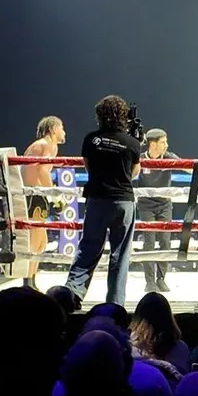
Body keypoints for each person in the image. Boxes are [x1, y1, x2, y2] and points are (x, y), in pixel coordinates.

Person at [64, 95, 142, 306]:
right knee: (120, 254)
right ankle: (115, 303)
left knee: (88, 247)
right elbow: (133, 173)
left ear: (100, 116)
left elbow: (89, 168)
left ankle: (73, 294)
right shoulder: (132, 143)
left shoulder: (91, 139)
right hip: (123, 201)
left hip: (98, 198)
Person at [21, 116, 67, 289]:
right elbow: (42, 171)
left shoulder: (42, 145)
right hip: (35, 194)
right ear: (53, 129)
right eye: (62, 127)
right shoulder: (47, 145)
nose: (64, 131)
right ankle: (27, 283)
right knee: (35, 241)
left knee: (40, 242)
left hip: (35, 193)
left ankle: (31, 281)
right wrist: (55, 196)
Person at [136, 128, 179, 293]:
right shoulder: (140, 159)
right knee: (149, 242)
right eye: (163, 142)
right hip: (146, 205)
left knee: (165, 241)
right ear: (152, 144)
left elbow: (187, 166)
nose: (166, 145)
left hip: (164, 204)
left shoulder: (168, 157)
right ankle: (149, 281)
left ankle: (161, 279)